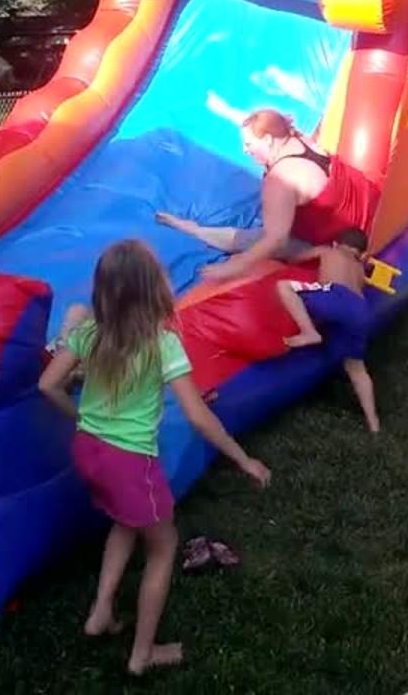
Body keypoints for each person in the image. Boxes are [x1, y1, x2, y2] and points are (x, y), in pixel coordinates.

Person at [39, 239, 270, 676]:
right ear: (153, 292)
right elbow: (199, 416)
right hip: (130, 465)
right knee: (163, 547)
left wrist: (84, 419)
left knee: (125, 522)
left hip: (89, 453)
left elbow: (48, 385)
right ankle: (143, 655)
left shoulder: (89, 333)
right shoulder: (162, 345)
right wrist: (243, 459)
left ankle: (101, 612)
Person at [157, 108, 379, 283]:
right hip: (365, 207)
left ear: (269, 140)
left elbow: (276, 239)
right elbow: (266, 124)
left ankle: (194, 229)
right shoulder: (297, 137)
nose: (245, 150)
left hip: (338, 244)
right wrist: (224, 110)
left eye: (249, 144)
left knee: (256, 238)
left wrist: (235, 266)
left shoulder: (280, 179)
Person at [276, 227, 380, 433]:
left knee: (283, 286)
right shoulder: (359, 267)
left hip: (334, 294)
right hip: (361, 308)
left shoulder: (327, 250)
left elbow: (296, 258)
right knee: (357, 368)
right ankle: (373, 422)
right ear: (360, 252)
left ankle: (309, 332)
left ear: (336, 243)